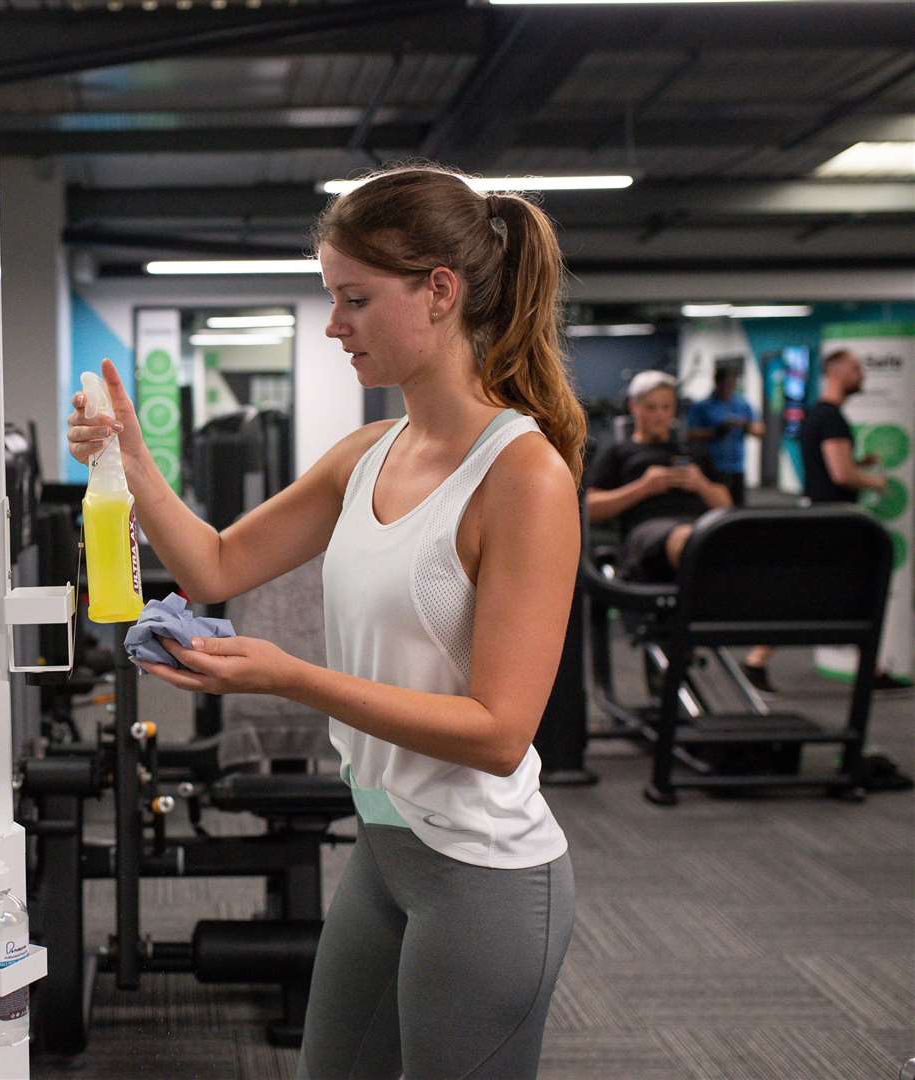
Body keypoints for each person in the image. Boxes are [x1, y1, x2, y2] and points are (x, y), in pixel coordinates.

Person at [70, 167, 582, 1078]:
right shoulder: (366, 453)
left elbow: (501, 735)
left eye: (354, 299)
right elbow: (217, 564)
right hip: (386, 850)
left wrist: (289, 675)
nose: (335, 324)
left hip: (485, 875)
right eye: (330, 298)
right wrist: (130, 462)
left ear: (439, 291)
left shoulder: (524, 476)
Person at [743, 347, 905, 692]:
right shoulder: (831, 419)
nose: (861, 374)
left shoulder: (819, 415)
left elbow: (834, 467)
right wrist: (877, 481)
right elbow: (840, 473)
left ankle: (870, 670)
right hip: (834, 521)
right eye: (855, 369)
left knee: (845, 595)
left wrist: (860, 463)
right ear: (835, 373)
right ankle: (755, 660)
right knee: (809, 594)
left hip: (826, 516)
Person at [585, 370, 733, 583]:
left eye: (666, 407)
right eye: (651, 407)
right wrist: (643, 487)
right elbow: (590, 508)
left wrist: (701, 484)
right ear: (634, 407)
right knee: (690, 540)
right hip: (649, 533)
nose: (660, 415)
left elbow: (726, 504)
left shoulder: (693, 452)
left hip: (702, 526)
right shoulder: (620, 452)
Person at [686, 362, 764, 506]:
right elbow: (690, 434)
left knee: (738, 509)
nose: (729, 388)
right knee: (715, 508)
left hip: (737, 467)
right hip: (712, 466)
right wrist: (716, 430)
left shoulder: (743, 405)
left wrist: (744, 425)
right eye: (726, 384)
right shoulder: (702, 406)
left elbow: (759, 431)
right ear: (717, 383)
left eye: (732, 384)